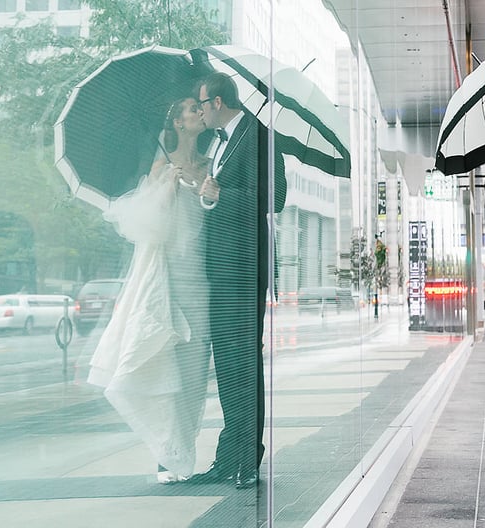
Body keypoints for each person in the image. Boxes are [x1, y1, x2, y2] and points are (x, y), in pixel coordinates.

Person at [88, 97, 212, 484]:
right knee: (164, 359)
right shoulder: (162, 166)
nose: (199, 113)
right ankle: (167, 452)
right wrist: (166, 188)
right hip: (170, 275)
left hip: (201, 278)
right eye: (193, 109)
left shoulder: (210, 166)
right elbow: (146, 226)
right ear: (177, 122)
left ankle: (182, 446)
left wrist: (209, 191)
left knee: (194, 368)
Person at [190, 72, 287, 489]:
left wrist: (220, 196)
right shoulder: (219, 143)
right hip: (221, 268)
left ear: (217, 103)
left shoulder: (259, 134)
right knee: (228, 365)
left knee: (244, 362)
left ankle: (247, 459)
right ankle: (227, 458)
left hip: (244, 268)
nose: (198, 111)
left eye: (201, 104)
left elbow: (275, 197)